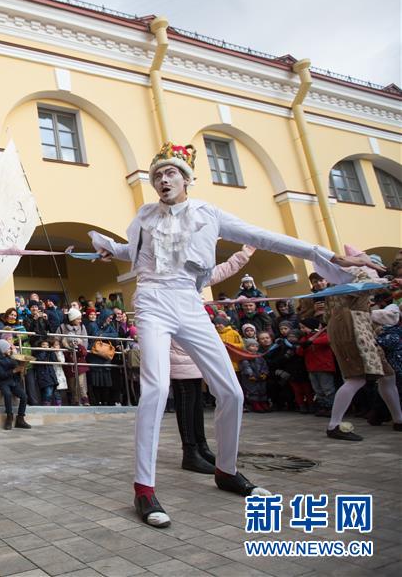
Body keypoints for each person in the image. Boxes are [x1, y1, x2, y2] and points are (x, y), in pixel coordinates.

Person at [89, 141, 380, 528]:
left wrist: (320, 252)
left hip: (190, 300)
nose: (163, 179)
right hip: (152, 299)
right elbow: (138, 253)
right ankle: (144, 487)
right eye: (157, 174)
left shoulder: (208, 213)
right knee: (156, 388)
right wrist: (111, 247)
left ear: (187, 178)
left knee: (231, 391)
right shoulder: (144, 216)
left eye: (170, 172)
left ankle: (225, 471)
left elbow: (264, 237)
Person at [169, 245, 254, 474]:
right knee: (187, 405)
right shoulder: (165, 282)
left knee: (196, 404)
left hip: (194, 355)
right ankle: (190, 453)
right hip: (178, 355)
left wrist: (244, 253)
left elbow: (222, 270)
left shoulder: (193, 280)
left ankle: (202, 446)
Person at [323, 249, 402, 441]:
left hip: (358, 330)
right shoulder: (353, 274)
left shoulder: (336, 282)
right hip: (353, 331)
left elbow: (328, 315)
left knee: (388, 376)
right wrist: (388, 282)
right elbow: (368, 286)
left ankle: (399, 419)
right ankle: (334, 426)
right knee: (356, 378)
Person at [296, 317, 336, 417]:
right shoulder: (305, 338)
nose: (302, 330)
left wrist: (312, 341)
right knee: (317, 390)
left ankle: (331, 407)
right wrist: (303, 345)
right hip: (311, 368)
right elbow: (299, 352)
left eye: (303, 327)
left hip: (324, 367)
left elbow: (328, 340)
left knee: (327, 389)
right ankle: (323, 406)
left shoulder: (322, 335)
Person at [0, 338, 32, 430]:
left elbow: (16, 368)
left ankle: (20, 419)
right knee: (7, 394)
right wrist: (14, 370)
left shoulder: (11, 358)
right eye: (8, 348)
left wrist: (21, 369)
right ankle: (9, 418)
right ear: (2, 350)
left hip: (14, 382)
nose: (10, 350)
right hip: (4, 383)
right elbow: (1, 375)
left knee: (24, 396)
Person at [239, 339, 270, 413]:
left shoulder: (259, 356)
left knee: (262, 389)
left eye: (256, 346)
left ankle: (263, 402)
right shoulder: (245, 356)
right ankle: (255, 403)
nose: (255, 348)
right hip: (250, 377)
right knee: (253, 390)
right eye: (252, 346)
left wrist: (264, 373)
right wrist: (250, 374)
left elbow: (264, 365)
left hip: (260, 376)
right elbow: (246, 366)